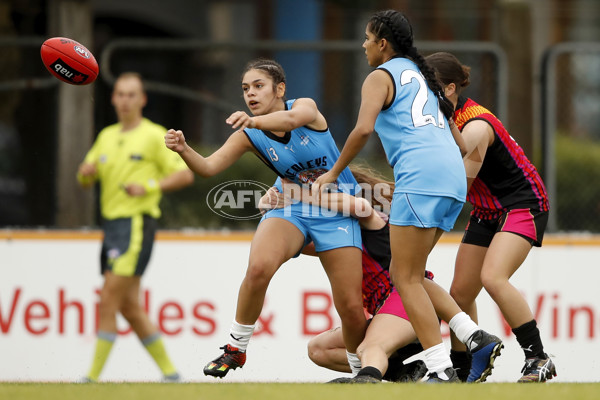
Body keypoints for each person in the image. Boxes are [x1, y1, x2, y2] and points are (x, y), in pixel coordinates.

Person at [313, 9, 491, 383]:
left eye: (366, 38)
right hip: (453, 180)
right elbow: (460, 143)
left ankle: (442, 368)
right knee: (409, 273)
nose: (362, 45)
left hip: (421, 176)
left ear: (382, 43)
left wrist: (332, 172)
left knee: (405, 277)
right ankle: (469, 335)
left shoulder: (380, 76)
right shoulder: (424, 77)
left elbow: (362, 131)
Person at [164, 59, 368, 379]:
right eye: (245, 89)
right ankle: (236, 348)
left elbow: (289, 119)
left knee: (352, 309)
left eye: (258, 86)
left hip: (336, 209)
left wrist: (253, 122)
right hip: (290, 206)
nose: (250, 94)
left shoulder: (304, 107)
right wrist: (183, 149)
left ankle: (361, 374)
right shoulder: (250, 133)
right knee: (258, 268)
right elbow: (207, 168)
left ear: (280, 89)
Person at [264, 166, 502, 384]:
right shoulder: (334, 237)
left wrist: (299, 195)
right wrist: (269, 206)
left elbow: (360, 207)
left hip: (406, 300)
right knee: (318, 349)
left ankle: (366, 380)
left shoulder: (371, 218)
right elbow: (288, 242)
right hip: (386, 313)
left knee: (369, 347)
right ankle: (402, 373)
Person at [425, 52, 556, 383]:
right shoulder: (440, 119)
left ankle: (538, 358)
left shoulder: (476, 128)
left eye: (428, 87)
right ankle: (464, 367)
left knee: (493, 277)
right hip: (488, 210)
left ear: (450, 88)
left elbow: (455, 188)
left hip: (522, 203)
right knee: (460, 293)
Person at [76, 72, 195, 383]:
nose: (125, 100)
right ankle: (171, 374)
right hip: (111, 227)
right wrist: (86, 172)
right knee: (129, 306)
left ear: (142, 100)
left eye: (132, 95)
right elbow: (84, 179)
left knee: (108, 299)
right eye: (120, 94)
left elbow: (185, 175)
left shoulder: (154, 135)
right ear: (113, 98)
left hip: (135, 226)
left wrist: (150, 186)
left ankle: (91, 378)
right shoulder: (106, 136)